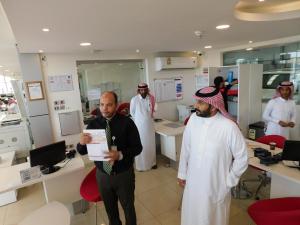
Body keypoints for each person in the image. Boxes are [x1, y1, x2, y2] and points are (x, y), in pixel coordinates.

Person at [177, 86, 248, 225]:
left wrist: (230, 181)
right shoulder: (193, 119)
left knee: (212, 218)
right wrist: (182, 173)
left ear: (214, 107)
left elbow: (242, 157)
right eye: (196, 101)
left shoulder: (229, 127)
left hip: (216, 184)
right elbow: (186, 148)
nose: (195, 105)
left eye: (201, 103)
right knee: (191, 216)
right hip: (193, 182)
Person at [77, 91, 142, 225]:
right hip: (103, 175)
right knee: (110, 211)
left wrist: (120, 154)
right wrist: (81, 143)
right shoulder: (93, 125)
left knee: (128, 208)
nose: (104, 108)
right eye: (102, 105)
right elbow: (82, 150)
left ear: (116, 105)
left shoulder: (127, 123)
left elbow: (138, 148)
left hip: (123, 174)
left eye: (109, 105)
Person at [130, 83, 157, 171]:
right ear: (138, 90)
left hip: (149, 126)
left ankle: (153, 163)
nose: (143, 92)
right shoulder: (134, 100)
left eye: (145, 90)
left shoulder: (151, 98)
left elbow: (155, 110)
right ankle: (141, 166)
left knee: (151, 144)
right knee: (141, 144)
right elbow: (132, 113)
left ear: (147, 90)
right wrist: (139, 120)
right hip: (139, 127)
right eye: (141, 90)